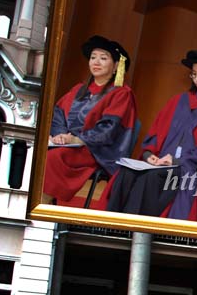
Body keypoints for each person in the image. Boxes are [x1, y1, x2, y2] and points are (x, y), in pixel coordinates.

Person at [106, 50, 197, 220]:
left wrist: (177, 161)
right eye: (194, 74)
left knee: (150, 178)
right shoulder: (178, 101)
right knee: (126, 173)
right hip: (161, 163)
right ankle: (110, 224)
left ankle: (135, 227)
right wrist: (149, 154)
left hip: (188, 166)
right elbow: (156, 132)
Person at [43, 35, 138, 206]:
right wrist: (59, 136)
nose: (96, 62)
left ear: (116, 66)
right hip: (69, 144)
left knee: (54, 157)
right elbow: (58, 115)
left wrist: (77, 140)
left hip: (98, 150)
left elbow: (109, 129)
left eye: (103, 58)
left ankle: (43, 202)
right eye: (93, 57)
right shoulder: (79, 89)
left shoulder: (121, 93)